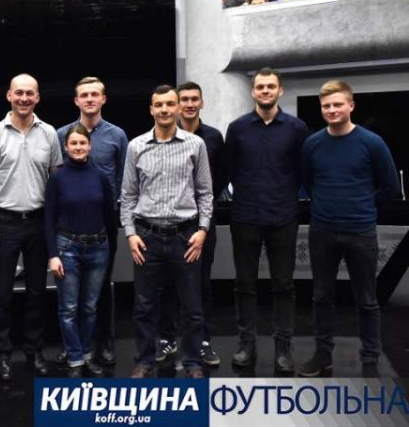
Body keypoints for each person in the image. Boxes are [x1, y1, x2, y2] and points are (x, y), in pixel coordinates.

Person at [298, 80, 400, 377]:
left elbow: (390, 186)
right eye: (326, 106)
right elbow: (309, 183)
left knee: (366, 299)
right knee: (321, 296)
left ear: (351, 105)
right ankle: (322, 355)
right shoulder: (312, 144)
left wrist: (363, 206)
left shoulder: (372, 142)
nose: (332, 110)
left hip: (360, 231)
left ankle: (370, 358)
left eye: (337, 104)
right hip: (322, 231)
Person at [121, 85, 213, 379]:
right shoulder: (136, 146)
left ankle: (192, 362)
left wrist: (203, 230)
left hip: (185, 236)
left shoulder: (196, 144)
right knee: (144, 305)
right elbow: (128, 195)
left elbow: (205, 193)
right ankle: (145, 360)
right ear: (151, 109)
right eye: (158, 104)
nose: (164, 109)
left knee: (192, 305)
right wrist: (131, 234)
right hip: (146, 237)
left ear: (178, 108)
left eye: (169, 104)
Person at [0, 73, 63, 381]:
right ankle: (1, 354)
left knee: (37, 292)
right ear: (9, 96)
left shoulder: (49, 133)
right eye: (19, 93)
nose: (24, 98)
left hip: (38, 221)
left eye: (30, 93)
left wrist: (56, 222)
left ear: (37, 97)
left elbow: (57, 178)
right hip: (4, 222)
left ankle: (34, 351)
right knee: (1, 293)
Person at [225, 68, 309, 373]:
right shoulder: (237, 128)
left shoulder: (297, 128)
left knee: (283, 285)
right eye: (260, 87)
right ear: (253, 92)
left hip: (283, 216)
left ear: (280, 91)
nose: (265, 91)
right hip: (245, 215)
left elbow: (301, 171)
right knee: (244, 284)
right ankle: (246, 345)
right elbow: (231, 169)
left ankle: (283, 348)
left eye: (270, 86)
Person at [56, 76, 128, 366]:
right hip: (69, 225)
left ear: (103, 99)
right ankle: (72, 347)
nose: (89, 99)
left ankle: (104, 342)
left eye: (94, 94)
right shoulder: (62, 134)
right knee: (70, 296)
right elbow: (56, 175)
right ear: (76, 100)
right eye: (84, 95)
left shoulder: (117, 135)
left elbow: (123, 179)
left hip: (104, 222)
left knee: (101, 288)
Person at [155, 82, 226, 368]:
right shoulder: (164, 137)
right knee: (168, 283)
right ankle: (168, 338)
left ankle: (202, 341)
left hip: (202, 222)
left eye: (194, 99)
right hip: (171, 222)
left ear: (201, 102)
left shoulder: (214, 137)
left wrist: (199, 209)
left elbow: (220, 178)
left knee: (201, 284)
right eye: (183, 99)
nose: (189, 104)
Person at [46, 125, 115, 378]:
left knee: (89, 307)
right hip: (68, 249)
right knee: (68, 308)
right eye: (73, 143)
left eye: (82, 143)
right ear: (66, 147)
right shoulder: (57, 178)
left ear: (90, 146)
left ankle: (87, 355)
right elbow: (49, 218)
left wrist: (110, 248)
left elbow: (109, 215)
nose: (78, 147)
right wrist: (53, 254)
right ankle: (74, 359)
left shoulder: (100, 176)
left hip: (98, 248)